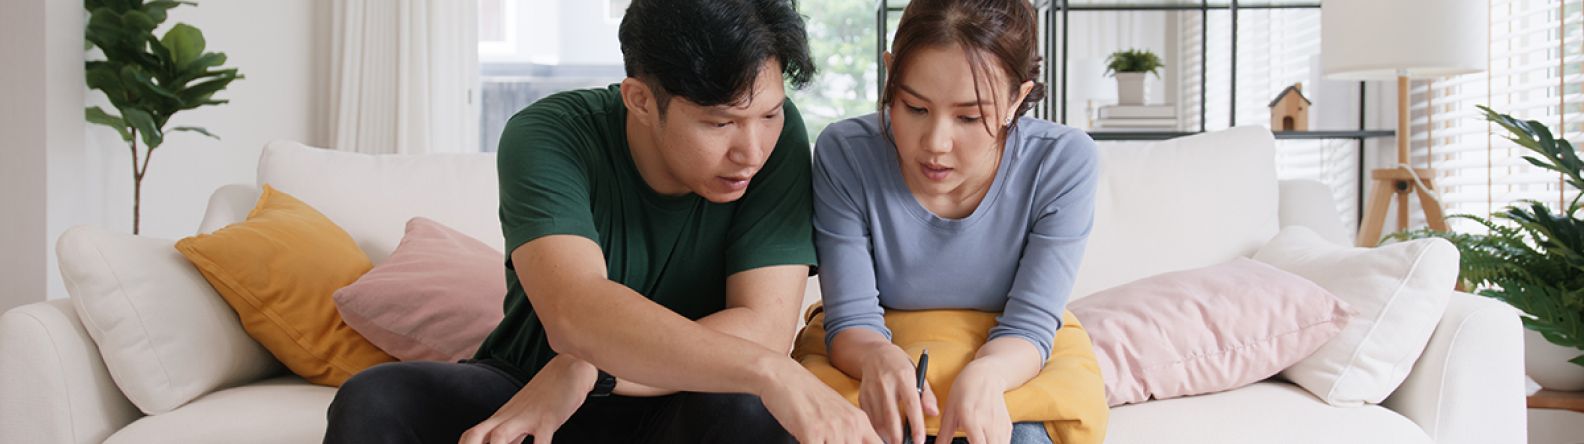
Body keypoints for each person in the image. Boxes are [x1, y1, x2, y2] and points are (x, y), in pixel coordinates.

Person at [324, 0, 880, 443]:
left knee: (747, 411)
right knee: (376, 397)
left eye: (769, 113)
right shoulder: (548, 136)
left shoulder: (777, 142)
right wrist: (772, 371)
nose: (751, 150)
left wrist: (589, 370)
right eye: (719, 123)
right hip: (527, 381)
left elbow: (763, 325)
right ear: (639, 99)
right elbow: (576, 310)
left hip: (679, 394)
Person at [806, 0, 1104, 443]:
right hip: (874, 349)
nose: (936, 144)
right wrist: (878, 360)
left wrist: (987, 373)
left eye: (969, 117)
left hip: (1014, 355)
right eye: (913, 108)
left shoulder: (1062, 161)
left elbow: (1030, 325)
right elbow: (851, 321)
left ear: (1016, 99)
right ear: (891, 76)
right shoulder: (846, 153)